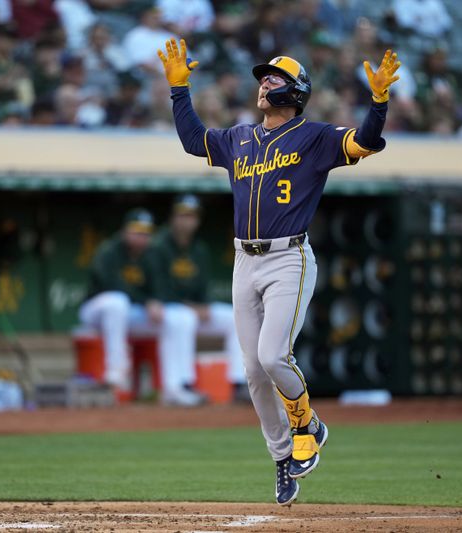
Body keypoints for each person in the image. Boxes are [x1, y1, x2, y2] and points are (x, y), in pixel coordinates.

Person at [158, 37, 399, 505]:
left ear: (296, 90)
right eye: (263, 78)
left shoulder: (315, 137)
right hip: (244, 259)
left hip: (289, 256)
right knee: (251, 369)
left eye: (273, 78)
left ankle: (308, 423)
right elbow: (194, 142)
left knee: (273, 357)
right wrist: (179, 91)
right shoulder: (240, 137)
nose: (264, 83)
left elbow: (366, 143)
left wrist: (379, 101)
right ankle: (284, 457)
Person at [78, 208, 205, 406]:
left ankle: (177, 385)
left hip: (131, 314)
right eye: (136, 232)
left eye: (145, 233)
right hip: (97, 313)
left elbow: (161, 287)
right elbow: (112, 285)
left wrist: (156, 303)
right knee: (116, 301)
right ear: (124, 231)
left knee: (181, 317)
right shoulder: (109, 251)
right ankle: (116, 370)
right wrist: (148, 302)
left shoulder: (151, 254)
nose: (141, 238)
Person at [149, 194, 250, 402]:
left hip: (191, 310)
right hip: (164, 310)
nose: (187, 221)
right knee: (184, 318)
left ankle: (240, 382)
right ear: (173, 218)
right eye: (183, 215)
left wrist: (203, 306)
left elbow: (202, 289)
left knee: (235, 317)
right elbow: (158, 288)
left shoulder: (199, 249)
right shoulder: (158, 246)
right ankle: (181, 385)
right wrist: (191, 307)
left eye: (192, 216)